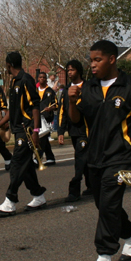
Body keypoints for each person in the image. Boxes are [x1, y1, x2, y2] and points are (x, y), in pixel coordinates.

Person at [68, 40, 131, 261]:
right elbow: (76, 119)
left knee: (108, 202)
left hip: (121, 156)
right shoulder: (88, 88)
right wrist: (72, 101)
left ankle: (104, 258)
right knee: (103, 203)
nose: (92, 65)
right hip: (95, 156)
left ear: (112, 59)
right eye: (91, 60)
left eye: (97, 60)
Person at [0, 51, 47, 216]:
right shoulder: (15, 82)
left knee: (16, 164)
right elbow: (12, 111)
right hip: (18, 130)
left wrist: (36, 130)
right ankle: (38, 195)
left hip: (27, 131)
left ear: (9, 65)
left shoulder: (26, 80)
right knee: (26, 165)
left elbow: (35, 106)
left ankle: (10, 200)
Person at [57, 60, 90, 202]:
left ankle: (74, 191)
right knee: (84, 159)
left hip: (86, 130)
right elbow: (62, 111)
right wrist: (60, 131)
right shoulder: (67, 90)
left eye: (72, 70)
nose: (70, 72)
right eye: (68, 70)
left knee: (81, 160)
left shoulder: (88, 87)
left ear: (79, 70)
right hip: (74, 131)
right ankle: (92, 186)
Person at [36, 72, 57, 165]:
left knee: (43, 137)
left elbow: (56, 105)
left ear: (46, 79)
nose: (42, 79)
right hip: (37, 117)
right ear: (38, 79)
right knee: (43, 138)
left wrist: (50, 108)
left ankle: (38, 158)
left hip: (46, 118)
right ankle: (50, 158)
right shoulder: (35, 91)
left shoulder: (50, 91)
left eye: (44, 77)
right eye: (40, 77)